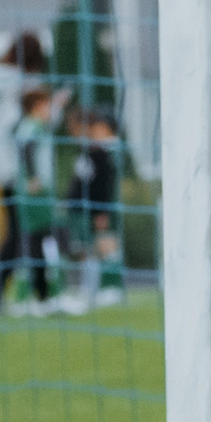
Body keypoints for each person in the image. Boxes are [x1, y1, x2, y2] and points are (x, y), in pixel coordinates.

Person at [0, 87, 64, 315]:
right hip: (28, 194)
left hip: (27, 192)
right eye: (47, 105)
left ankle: (37, 296)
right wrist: (33, 177)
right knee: (30, 240)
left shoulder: (36, 125)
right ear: (38, 106)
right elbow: (26, 148)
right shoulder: (29, 126)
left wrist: (58, 103)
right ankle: (40, 297)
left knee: (28, 240)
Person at [63, 104, 125, 312]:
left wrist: (101, 211)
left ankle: (103, 289)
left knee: (99, 248)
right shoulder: (89, 149)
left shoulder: (104, 152)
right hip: (80, 207)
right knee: (86, 249)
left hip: (92, 208)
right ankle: (91, 290)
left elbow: (103, 184)